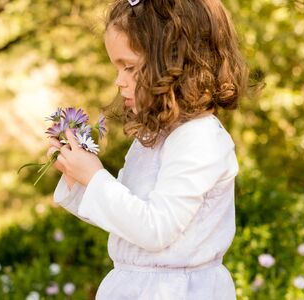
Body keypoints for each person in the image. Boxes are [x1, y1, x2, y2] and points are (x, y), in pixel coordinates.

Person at [47, 0, 248, 298]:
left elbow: (156, 229)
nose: (119, 81)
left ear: (175, 64)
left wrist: (95, 178)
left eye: (129, 67)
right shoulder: (153, 136)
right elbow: (129, 220)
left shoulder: (199, 137)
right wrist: (77, 178)